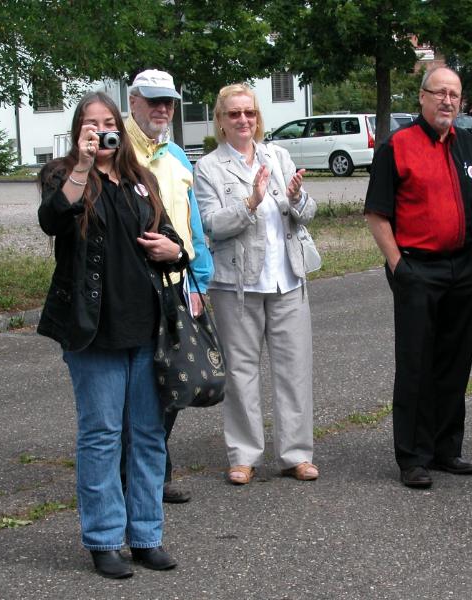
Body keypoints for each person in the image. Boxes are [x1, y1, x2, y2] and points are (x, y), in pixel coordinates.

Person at [37, 91, 184, 577]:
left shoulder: (140, 179)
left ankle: (146, 534)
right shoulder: (64, 175)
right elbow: (53, 219)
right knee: (101, 435)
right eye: (90, 124)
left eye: (107, 122)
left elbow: (171, 238)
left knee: (146, 435)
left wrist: (174, 251)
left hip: (146, 328)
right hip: (92, 329)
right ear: (79, 129)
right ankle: (103, 539)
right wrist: (81, 165)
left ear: (120, 127)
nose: (100, 131)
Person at [364, 67, 472, 489]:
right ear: (422, 97)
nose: (448, 101)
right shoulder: (397, 146)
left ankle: (446, 448)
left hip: (464, 267)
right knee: (417, 363)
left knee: (455, 360)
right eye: (440, 93)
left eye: (455, 94)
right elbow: (377, 214)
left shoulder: (466, 143)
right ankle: (413, 456)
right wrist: (400, 266)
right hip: (418, 268)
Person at [194, 83, 318, 485]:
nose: (243, 120)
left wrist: (296, 198)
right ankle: (243, 456)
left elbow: (307, 211)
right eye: (234, 114)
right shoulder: (209, 168)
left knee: (294, 368)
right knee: (241, 371)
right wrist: (250, 202)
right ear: (221, 121)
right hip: (236, 284)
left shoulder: (277, 156)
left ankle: (296, 454)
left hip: (287, 278)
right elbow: (212, 224)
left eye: (249, 113)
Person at [123, 68, 213, 504]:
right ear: (133, 100)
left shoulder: (176, 153)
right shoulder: (116, 151)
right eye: (153, 100)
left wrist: (200, 278)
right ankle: (133, 479)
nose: (162, 109)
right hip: (134, 291)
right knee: (136, 388)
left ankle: (154, 473)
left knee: (174, 380)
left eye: (169, 102)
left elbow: (192, 223)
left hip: (178, 283)